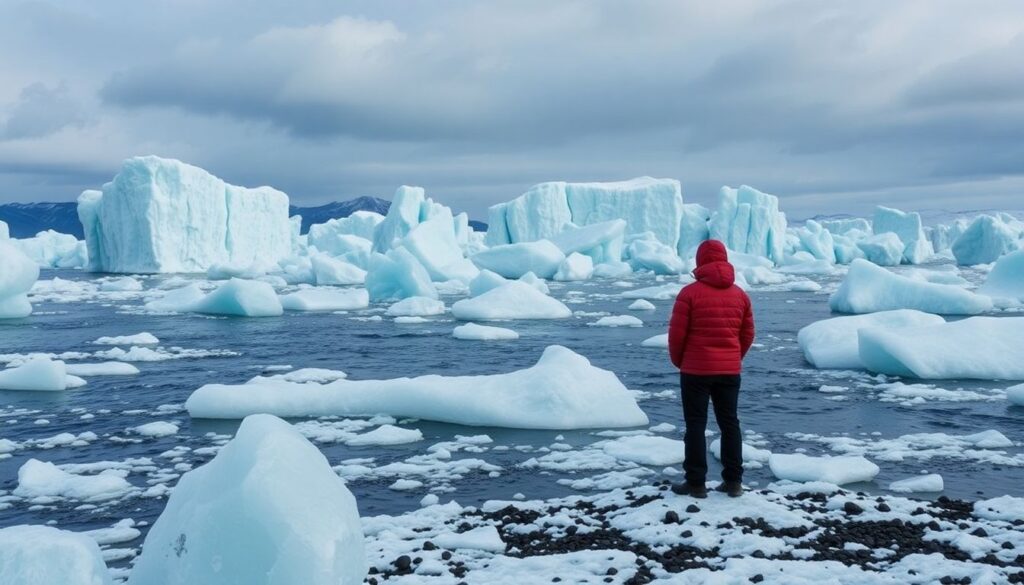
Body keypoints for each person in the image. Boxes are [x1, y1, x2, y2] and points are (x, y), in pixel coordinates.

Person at [667, 239, 754, 498]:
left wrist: (679, 361)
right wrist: (734, 357)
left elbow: (676, 335)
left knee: (695, 424)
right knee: (730, 424)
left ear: (700, 261)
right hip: (729, 371)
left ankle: (695, 483)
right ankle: (734, 482)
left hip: (695, 370)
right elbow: (748, 333)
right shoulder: (740, 295)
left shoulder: (689, 293)